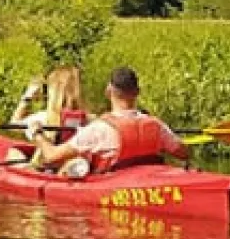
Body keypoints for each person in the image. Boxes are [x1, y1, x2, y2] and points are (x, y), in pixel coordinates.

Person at [25, 67, 186, 175]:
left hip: (114, 187)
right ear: (137, 92)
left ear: (109, 91)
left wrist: (37, 133)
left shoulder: (99, 129)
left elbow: (52, 156)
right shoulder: (156, 125)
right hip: (151, 183)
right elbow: (184, 153)